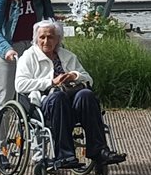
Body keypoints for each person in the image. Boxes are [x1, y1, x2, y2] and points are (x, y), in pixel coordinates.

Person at [14, 20, 121, 166]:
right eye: (42, 37)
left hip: (72, 100)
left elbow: (88, 79)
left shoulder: (67, 56)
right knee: (58, 97)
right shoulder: (28, 57)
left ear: (57, 39)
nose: (46, 41)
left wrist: (74, 75)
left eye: (50, 37)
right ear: (36, 39)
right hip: (45, 102)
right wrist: (51, 82)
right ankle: (64, 155)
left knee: (86, 95)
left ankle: (99, 150)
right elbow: (20, 85)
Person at [0, 0, 55, 108]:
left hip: (33, 50)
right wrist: (6, 49)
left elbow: (51, 23)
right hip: (11, 50)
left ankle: (28, 125)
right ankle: (0, 125)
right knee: (5, 100)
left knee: (33, 97)